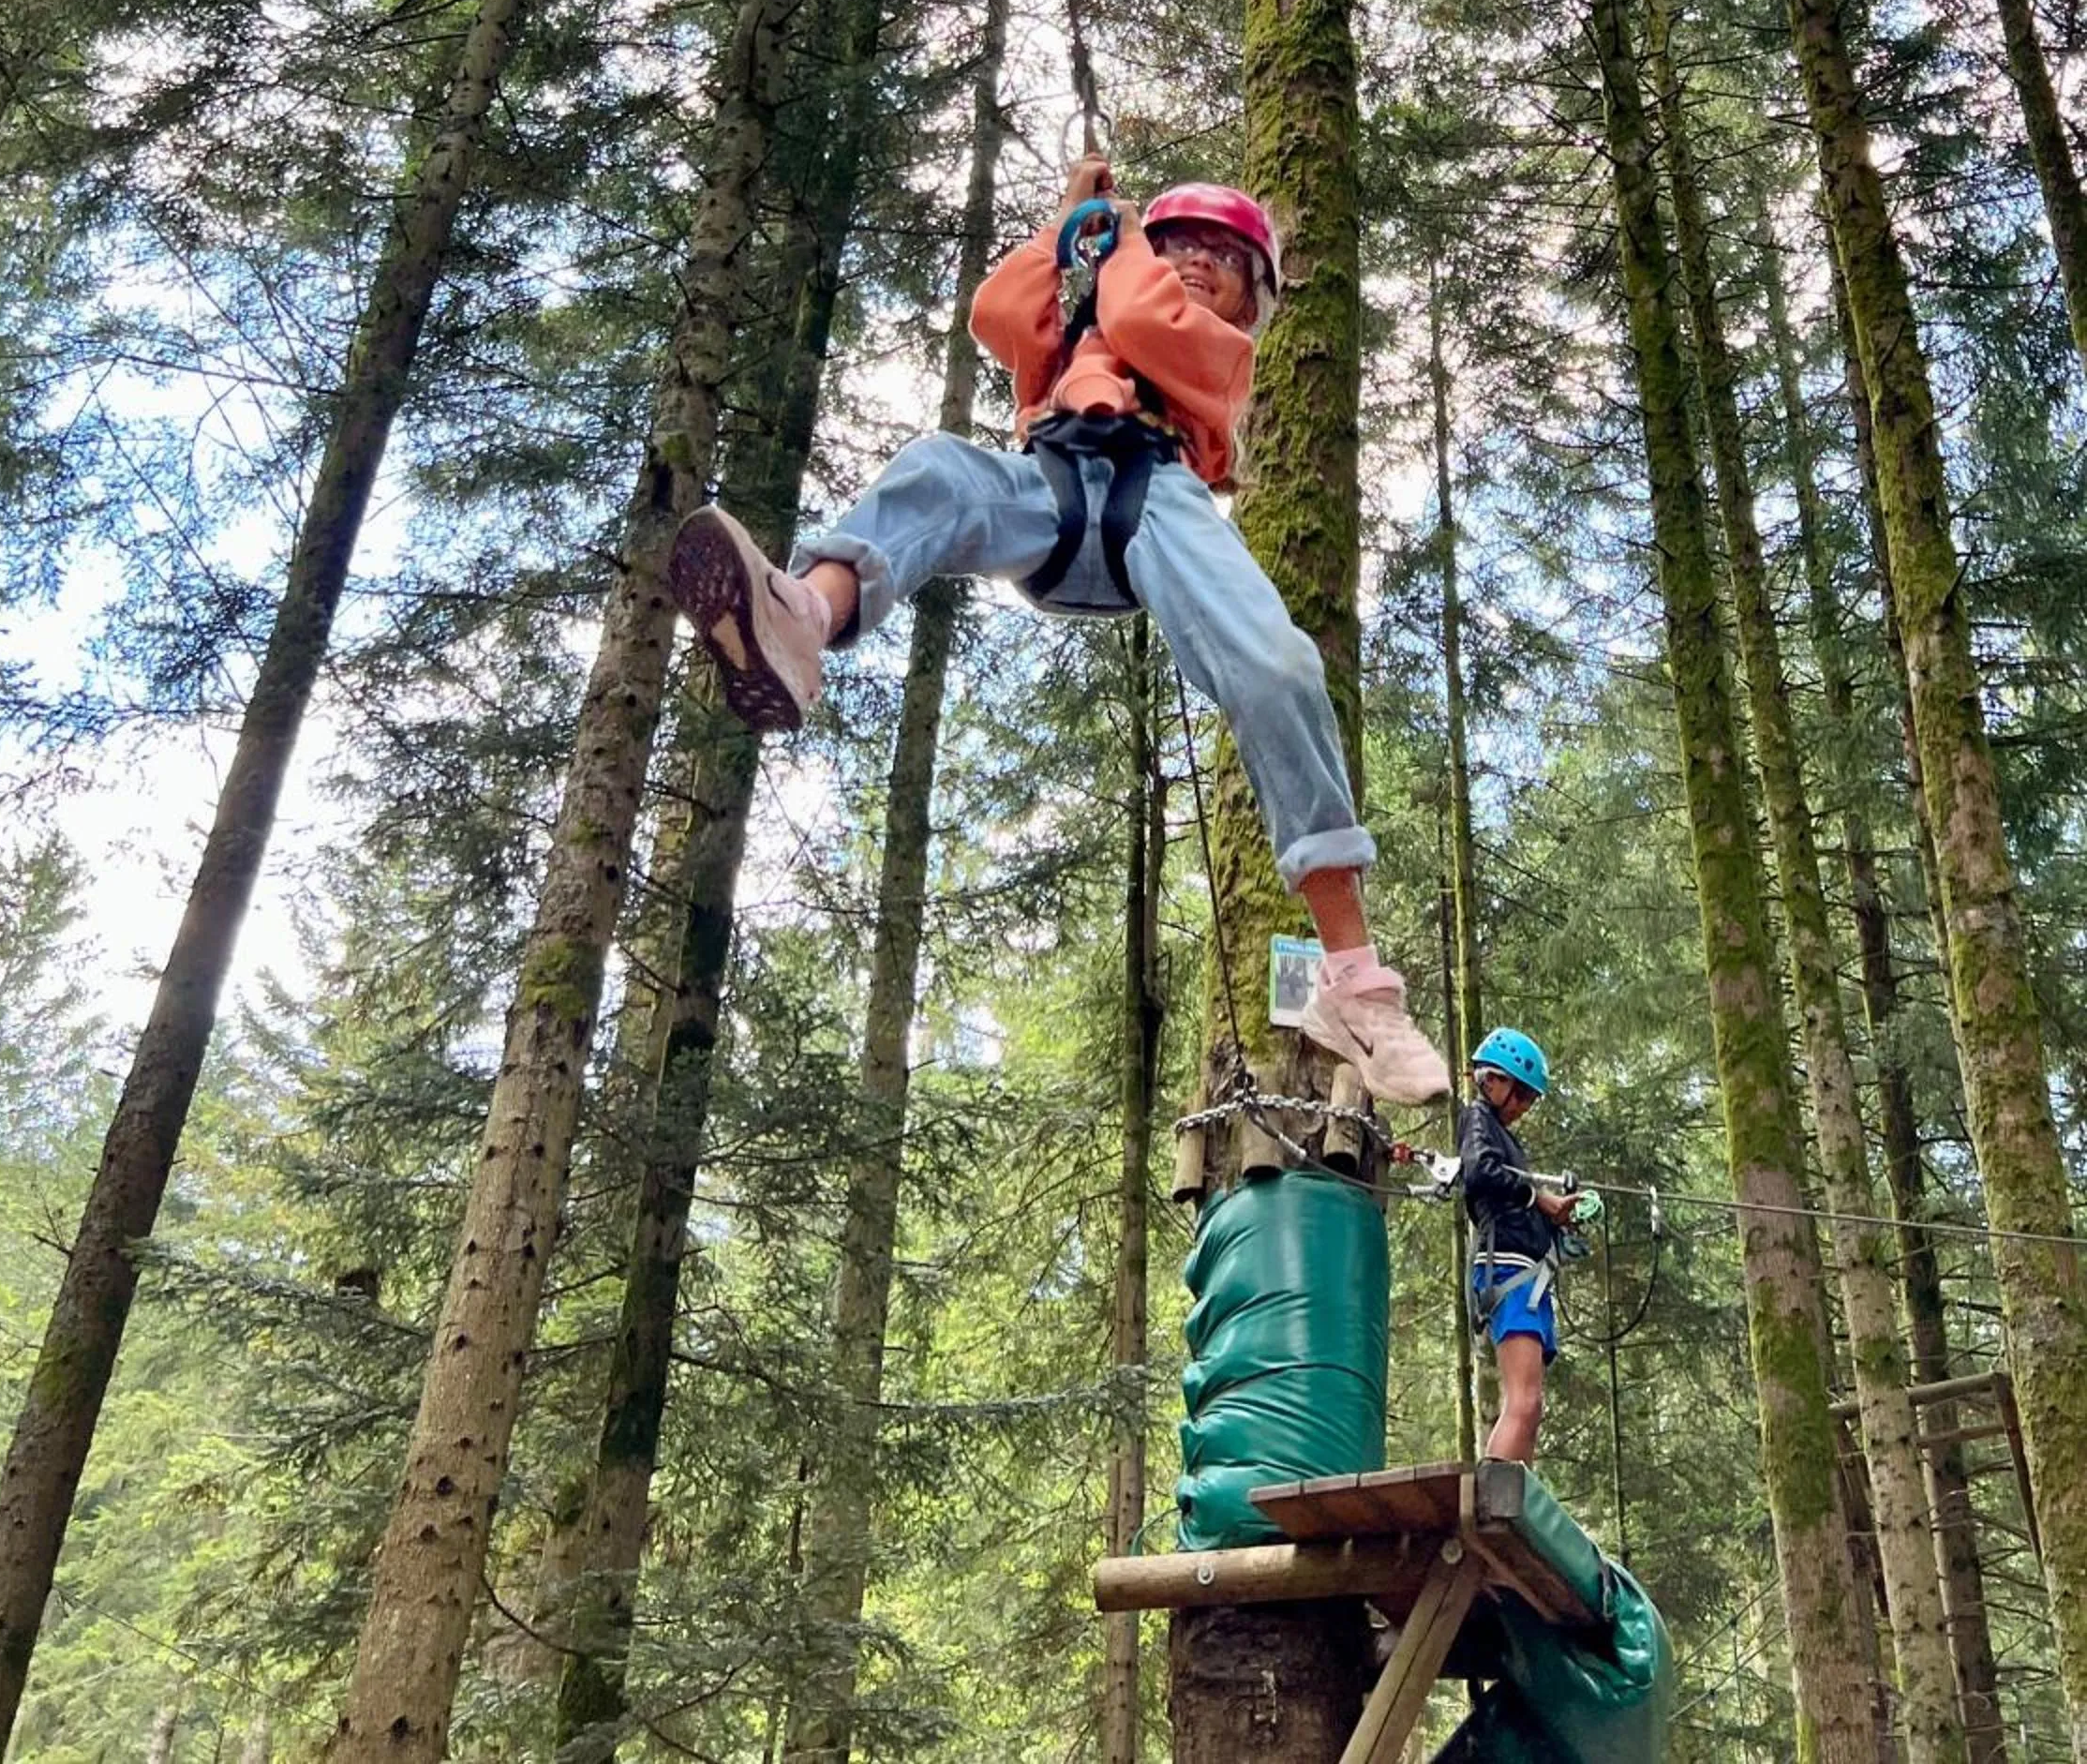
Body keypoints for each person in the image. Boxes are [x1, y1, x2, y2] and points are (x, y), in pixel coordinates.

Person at [666, 150, 1449, 1105]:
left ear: (1250, 298)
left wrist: (1120, 248)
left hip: (1158, 506)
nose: (1196, 265)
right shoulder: (1098, 318)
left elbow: (1135, 316)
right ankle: (805, 615)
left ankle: (1356, 986)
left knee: (1279, 668)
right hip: (1048, 488)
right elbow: (999, 316)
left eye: (1221, 257)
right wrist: (1065, 226)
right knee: (941, 471)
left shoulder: (1214, 349)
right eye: (1181, 245)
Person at [1458, 1027, 1578, 1464]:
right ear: (1493, 1081)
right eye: (1522, 1095)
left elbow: (1505, 1186)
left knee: (1532, 1409)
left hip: (1524, 1272)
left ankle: (1514, 1512)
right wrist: (1537, 1198)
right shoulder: (1477, 1120)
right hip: (1507, 1270)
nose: (1525, 1107)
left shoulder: (1501, 1134)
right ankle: (1492, 1510)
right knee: (1523, 1404)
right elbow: (1479, 1173)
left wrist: (1552, 1218)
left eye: (1531, 1099)